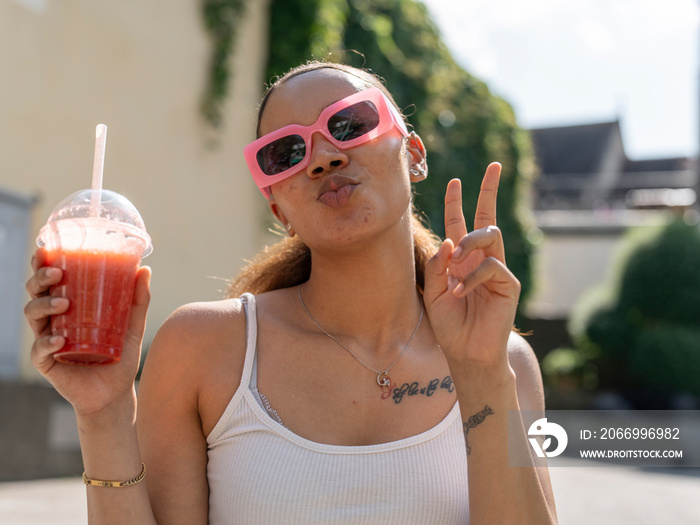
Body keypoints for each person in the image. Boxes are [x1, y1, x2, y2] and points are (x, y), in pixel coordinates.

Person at [25, 61, 558, 524]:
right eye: (284, 154)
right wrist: (103, 415)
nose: (323, 157)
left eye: (350, 124)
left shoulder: (508, 363)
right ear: (278, 209)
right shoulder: (203, 349)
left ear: (412, 151)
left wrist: (481, 373)